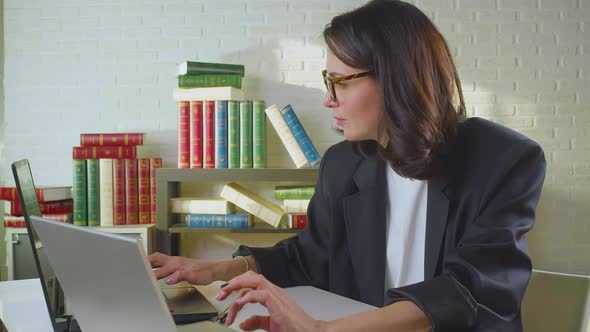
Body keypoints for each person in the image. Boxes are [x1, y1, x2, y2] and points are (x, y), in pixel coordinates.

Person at [149, 0, 546, 331]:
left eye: (341, 81)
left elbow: (469, 289)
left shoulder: (504, 159)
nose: (328, 99)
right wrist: (218, 269)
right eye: (328, 81)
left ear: (398, 79)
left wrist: (323, 330)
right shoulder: (343, 163)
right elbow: (310, 256)